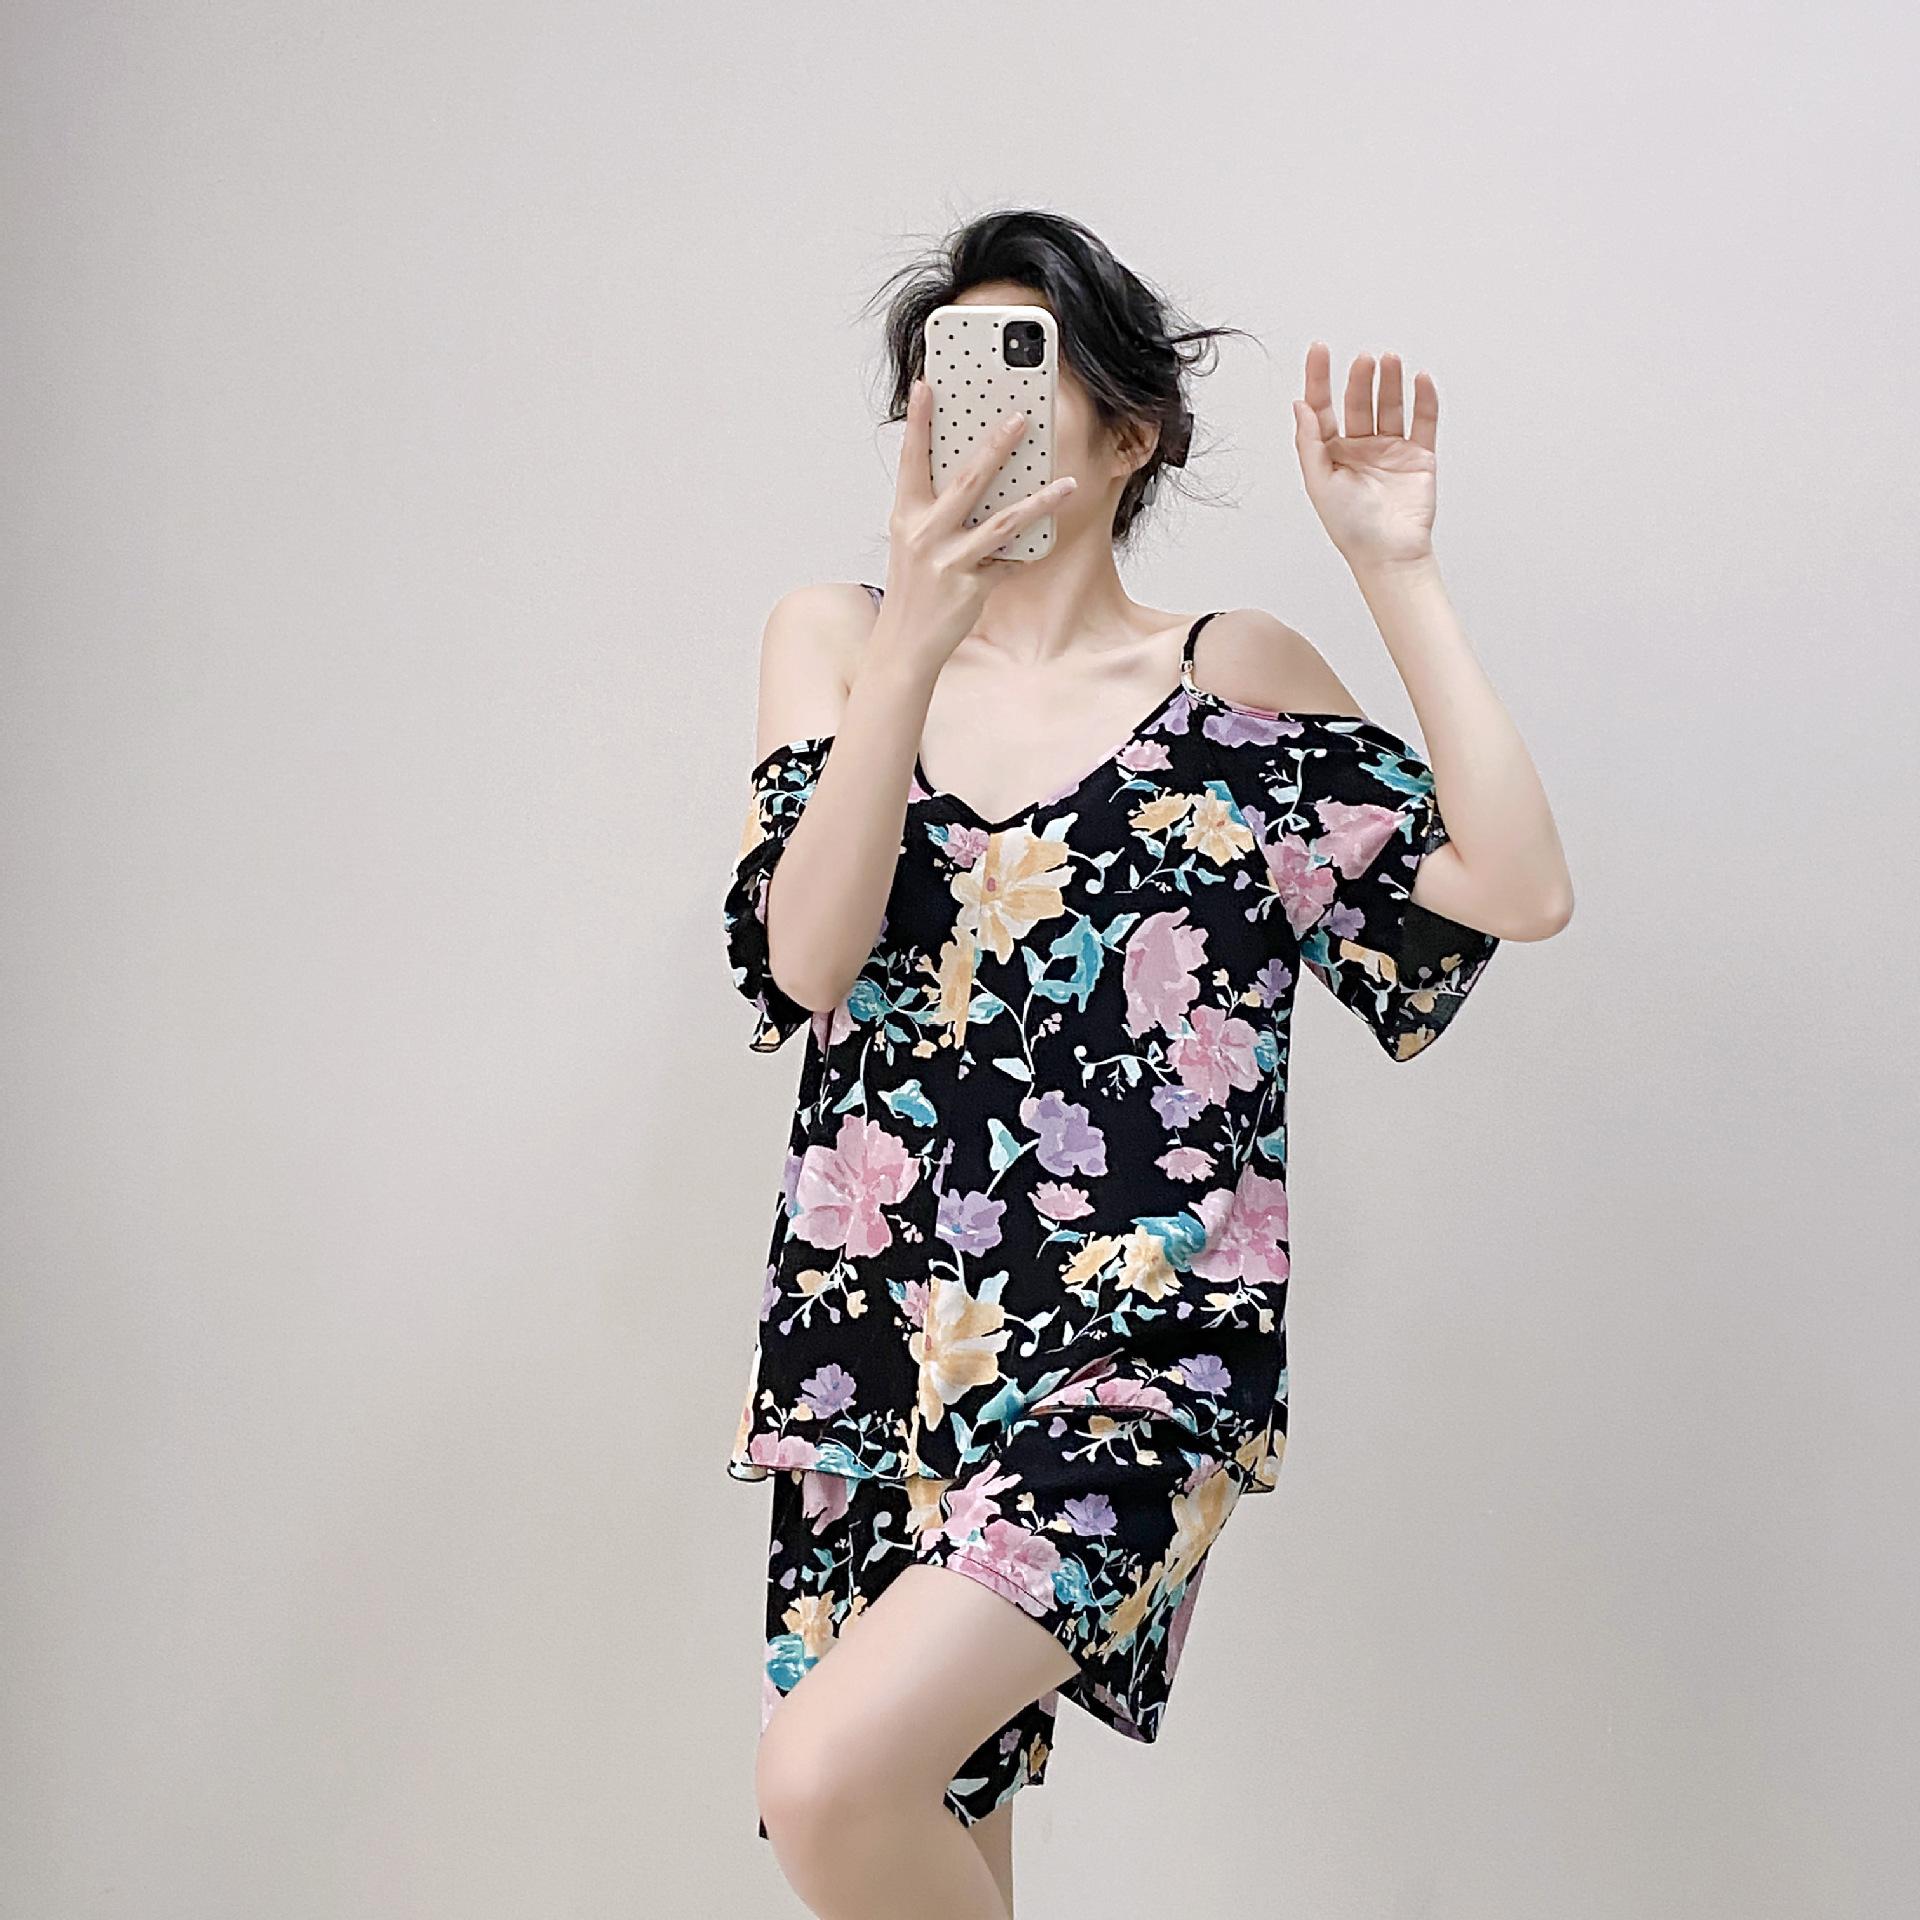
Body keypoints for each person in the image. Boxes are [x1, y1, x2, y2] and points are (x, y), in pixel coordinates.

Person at [719, 208, 1573, 1919]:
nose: (973, 418)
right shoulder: (838, 640)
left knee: (826, 1784)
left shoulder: (1232, 680)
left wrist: (1395, 571)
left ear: (1133, 435)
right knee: (919, 1846)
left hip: (1142, 1358)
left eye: (1023, 375)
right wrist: (919, 639)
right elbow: (803, 958)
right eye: (944, 382)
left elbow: (1515, 887)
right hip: (874, 1351)